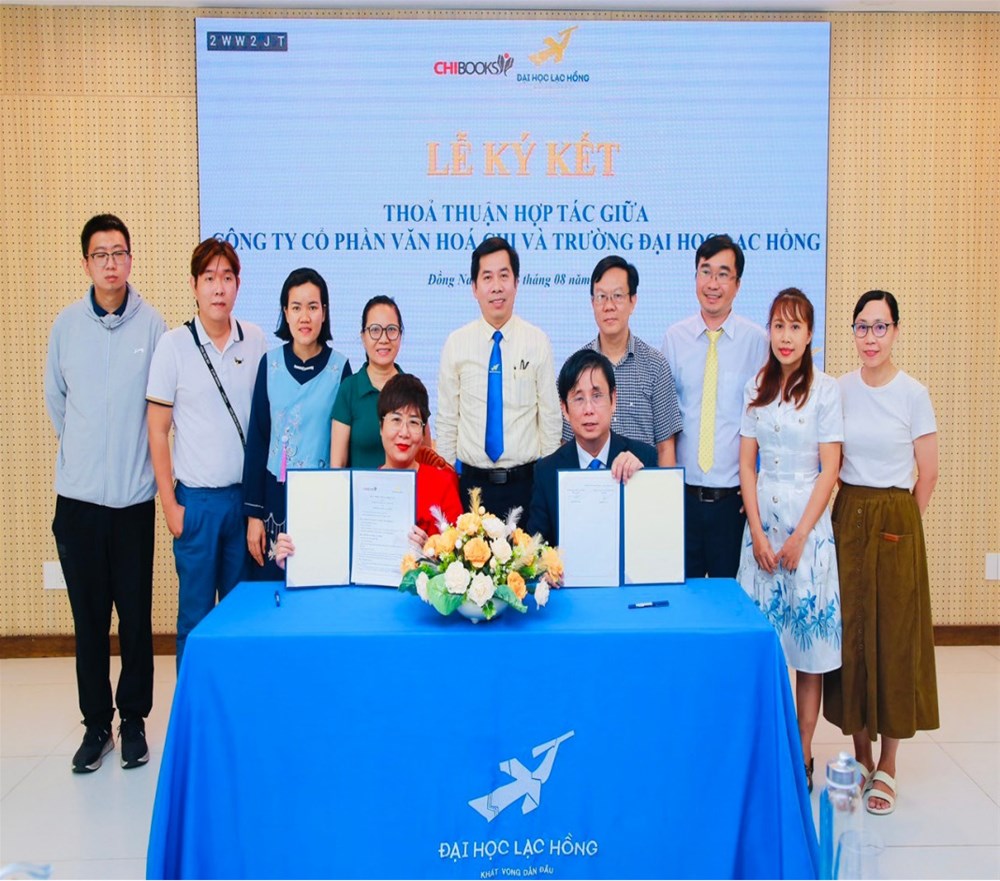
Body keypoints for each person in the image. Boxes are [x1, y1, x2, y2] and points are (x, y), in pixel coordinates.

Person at [45, 214, 166, 773]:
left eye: (119, 253)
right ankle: (96, 725)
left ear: (131, 259)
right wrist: (86, 459)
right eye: (101, 254)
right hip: (79, 504)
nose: (111, 263)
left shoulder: (153, 326)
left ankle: (133, 719)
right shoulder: (66, 326)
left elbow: (159, 411)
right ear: (86, 263)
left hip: (134, 501)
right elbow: (58, 403)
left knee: (135, 618)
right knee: (89, 620)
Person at [823, 290, 939, 816]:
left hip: (895, 519)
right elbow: (830, 460)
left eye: (880, 327)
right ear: (853, 332)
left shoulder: (913, 394)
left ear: (895, 331)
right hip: (848, 514)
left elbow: (928, 473)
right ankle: (861, 755)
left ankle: (888, 764)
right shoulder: (839, 389)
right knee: (852, 636)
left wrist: (902, 527)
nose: (870, 337)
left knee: (893, 639)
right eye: (862, 327)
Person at [736, 288, 843, 794]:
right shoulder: (756, 386)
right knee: (766, 645)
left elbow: (830, 469)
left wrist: (801, 537)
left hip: (808, 533)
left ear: (809, 334)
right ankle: (767, 750)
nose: (786, 336)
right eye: (778, 325)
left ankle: (802, 753)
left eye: (795, 326)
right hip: (762, 530)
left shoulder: (826, 390)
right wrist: (757, 532)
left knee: (807, 652)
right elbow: (746, 464)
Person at [146, 238, 267, 669]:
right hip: (195, 504)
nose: (219, 288)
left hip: (243, 502)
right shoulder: (173, 345)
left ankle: (233, 705)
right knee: (195, 620)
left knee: (239, 618)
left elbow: (265, 423)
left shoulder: (255, 340)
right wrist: (170, 507)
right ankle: (194, 708)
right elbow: (157, 431)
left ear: (238, 285)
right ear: (194, 285)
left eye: (227, 278)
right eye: (210, 278)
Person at [662, 234, 769, 578]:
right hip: (683, 499)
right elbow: (665, 422)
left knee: (730, 600)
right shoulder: (674, 339)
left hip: (734, 504)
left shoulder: (758, 342)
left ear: (737, 284)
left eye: (723, 274)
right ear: (695, 277)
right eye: (705, 272)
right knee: (683, 598)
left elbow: (766, 423)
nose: (713, 283)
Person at [274, 374, 463, 567]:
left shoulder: (443, 483)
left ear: (423, 432)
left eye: (414, 422)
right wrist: (294, 560)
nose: (404, 432)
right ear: (381, 427)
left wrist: (430, 556)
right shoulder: (359, 487)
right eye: (396, 420)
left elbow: (460, 559)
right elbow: (335, 554)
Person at [437, 237, 561, 519]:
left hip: (526, 486)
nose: (496, 286)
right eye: (487, 277)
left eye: (504, 276)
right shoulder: (456, 344)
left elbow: (550, 420)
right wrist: (446, 485)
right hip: (470, 487)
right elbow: (447, 423)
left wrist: (549, 486)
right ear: (474, 287)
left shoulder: (537, 342)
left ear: (516, 282)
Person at [242, 268, 351, 580]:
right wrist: (253, 515)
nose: (305, 317)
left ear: (324, 313)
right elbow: (258, 439)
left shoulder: (340, 369)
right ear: (285, 313)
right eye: (296, 307)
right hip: (274, 501)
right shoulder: (270, 364)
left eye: (313, 307)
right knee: (271, 593)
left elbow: (345, 449)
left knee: (318, 589)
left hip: (321, 501)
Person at [527, 349, 657, 547]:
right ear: (564, 409)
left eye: (597, 396)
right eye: (579, 398)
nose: (589, 409)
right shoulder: (547, 472)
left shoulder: (644, 459)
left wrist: (643, 480)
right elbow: (536, 549)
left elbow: (658, 536)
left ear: (613, 400)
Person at [565, 256, 681, 465]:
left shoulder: (655, 366)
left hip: (642, 481)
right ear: (592, 303)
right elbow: (566, 443)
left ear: (633, 301)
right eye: (601, 297)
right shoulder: (576, 368)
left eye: (617, 296)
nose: (609, 306)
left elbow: (666, 447)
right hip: (589, 482)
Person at [330, 295, 410, 468]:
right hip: (358, 486)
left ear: (400, 335)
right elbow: (337, 464)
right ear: (363, 337)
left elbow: (425, 459)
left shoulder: (412, 390)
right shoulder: (349, 389)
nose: (384, 339)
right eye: (375, 330)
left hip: (405, 486)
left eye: (391, 330)